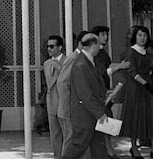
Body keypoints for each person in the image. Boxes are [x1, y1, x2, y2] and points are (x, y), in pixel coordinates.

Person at [61, 33, 108, 159]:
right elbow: (85, 94)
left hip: (91, 115)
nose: (100, 48)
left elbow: (92, 87)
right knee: (78, 147)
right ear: (94, 45)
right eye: (99, 45)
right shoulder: (81, 64)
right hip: (85, 116)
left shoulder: (87, 61)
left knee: (99, 148)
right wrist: (99, 113)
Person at [91, 26, 130, 159]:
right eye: (102, 34)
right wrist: (119, 67)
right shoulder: (96, 53)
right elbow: (102, 72)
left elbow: (106, 68)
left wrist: (118, 65)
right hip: (100, 92)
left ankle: (108, 149)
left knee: (107, 121)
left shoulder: (102, 53)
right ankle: (108, 150)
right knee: (105, 121)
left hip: (105, 90)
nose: (105, 37)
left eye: (106, 34)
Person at [120, 25, 153, 158]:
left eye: (145, 35)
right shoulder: (130, 52)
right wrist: (145, 83)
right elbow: (131, 71)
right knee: (135, 117)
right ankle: (134, 148)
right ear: (135, 36)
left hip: (148, 86)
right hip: (135, 88)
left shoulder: (148, 52)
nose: (142, 38)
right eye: (139, 35)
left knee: (150, 117)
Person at [43, 35, 65, 159]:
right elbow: (49, 83)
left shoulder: (67, 61)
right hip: (52, 103)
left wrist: (60, 69)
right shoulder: (46, 63)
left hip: (63, 103)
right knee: (55, 135)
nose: (49, 49)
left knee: (67, 134)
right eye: (48, 46)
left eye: (52, 46)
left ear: (60, 47)